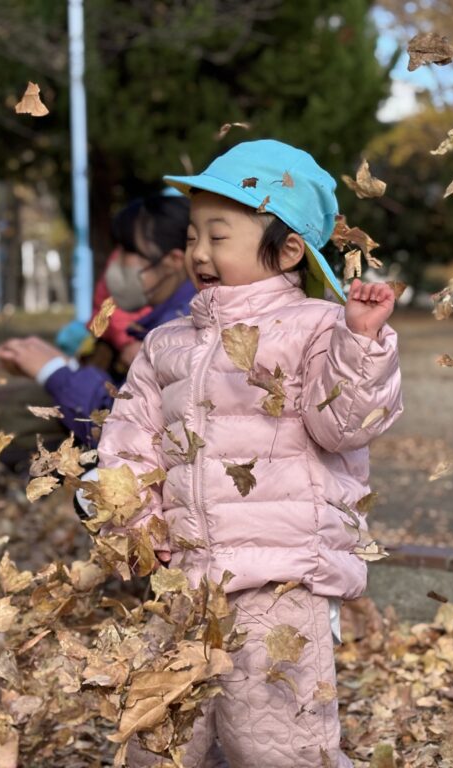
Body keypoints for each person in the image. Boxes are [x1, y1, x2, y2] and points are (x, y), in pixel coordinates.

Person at [83, 139, 402, 766]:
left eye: (218, 236)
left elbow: (344, 425)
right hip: (184, 576)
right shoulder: (168, 343)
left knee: (276, 743)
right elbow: (130, 441)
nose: (199, 252)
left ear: (288, 250)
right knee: (161, 738)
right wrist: (136, 523)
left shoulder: (318, 328)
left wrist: (362, 344)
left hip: (282, 580)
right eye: (193, 236)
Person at [0, 194, 195, 465]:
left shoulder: (179, 331)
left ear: (173, 261)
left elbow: (122, 426)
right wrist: (59, 365)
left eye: (129, 251)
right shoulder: (171, 319)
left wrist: (54, 371)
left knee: (19, 426)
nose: (116, 262)